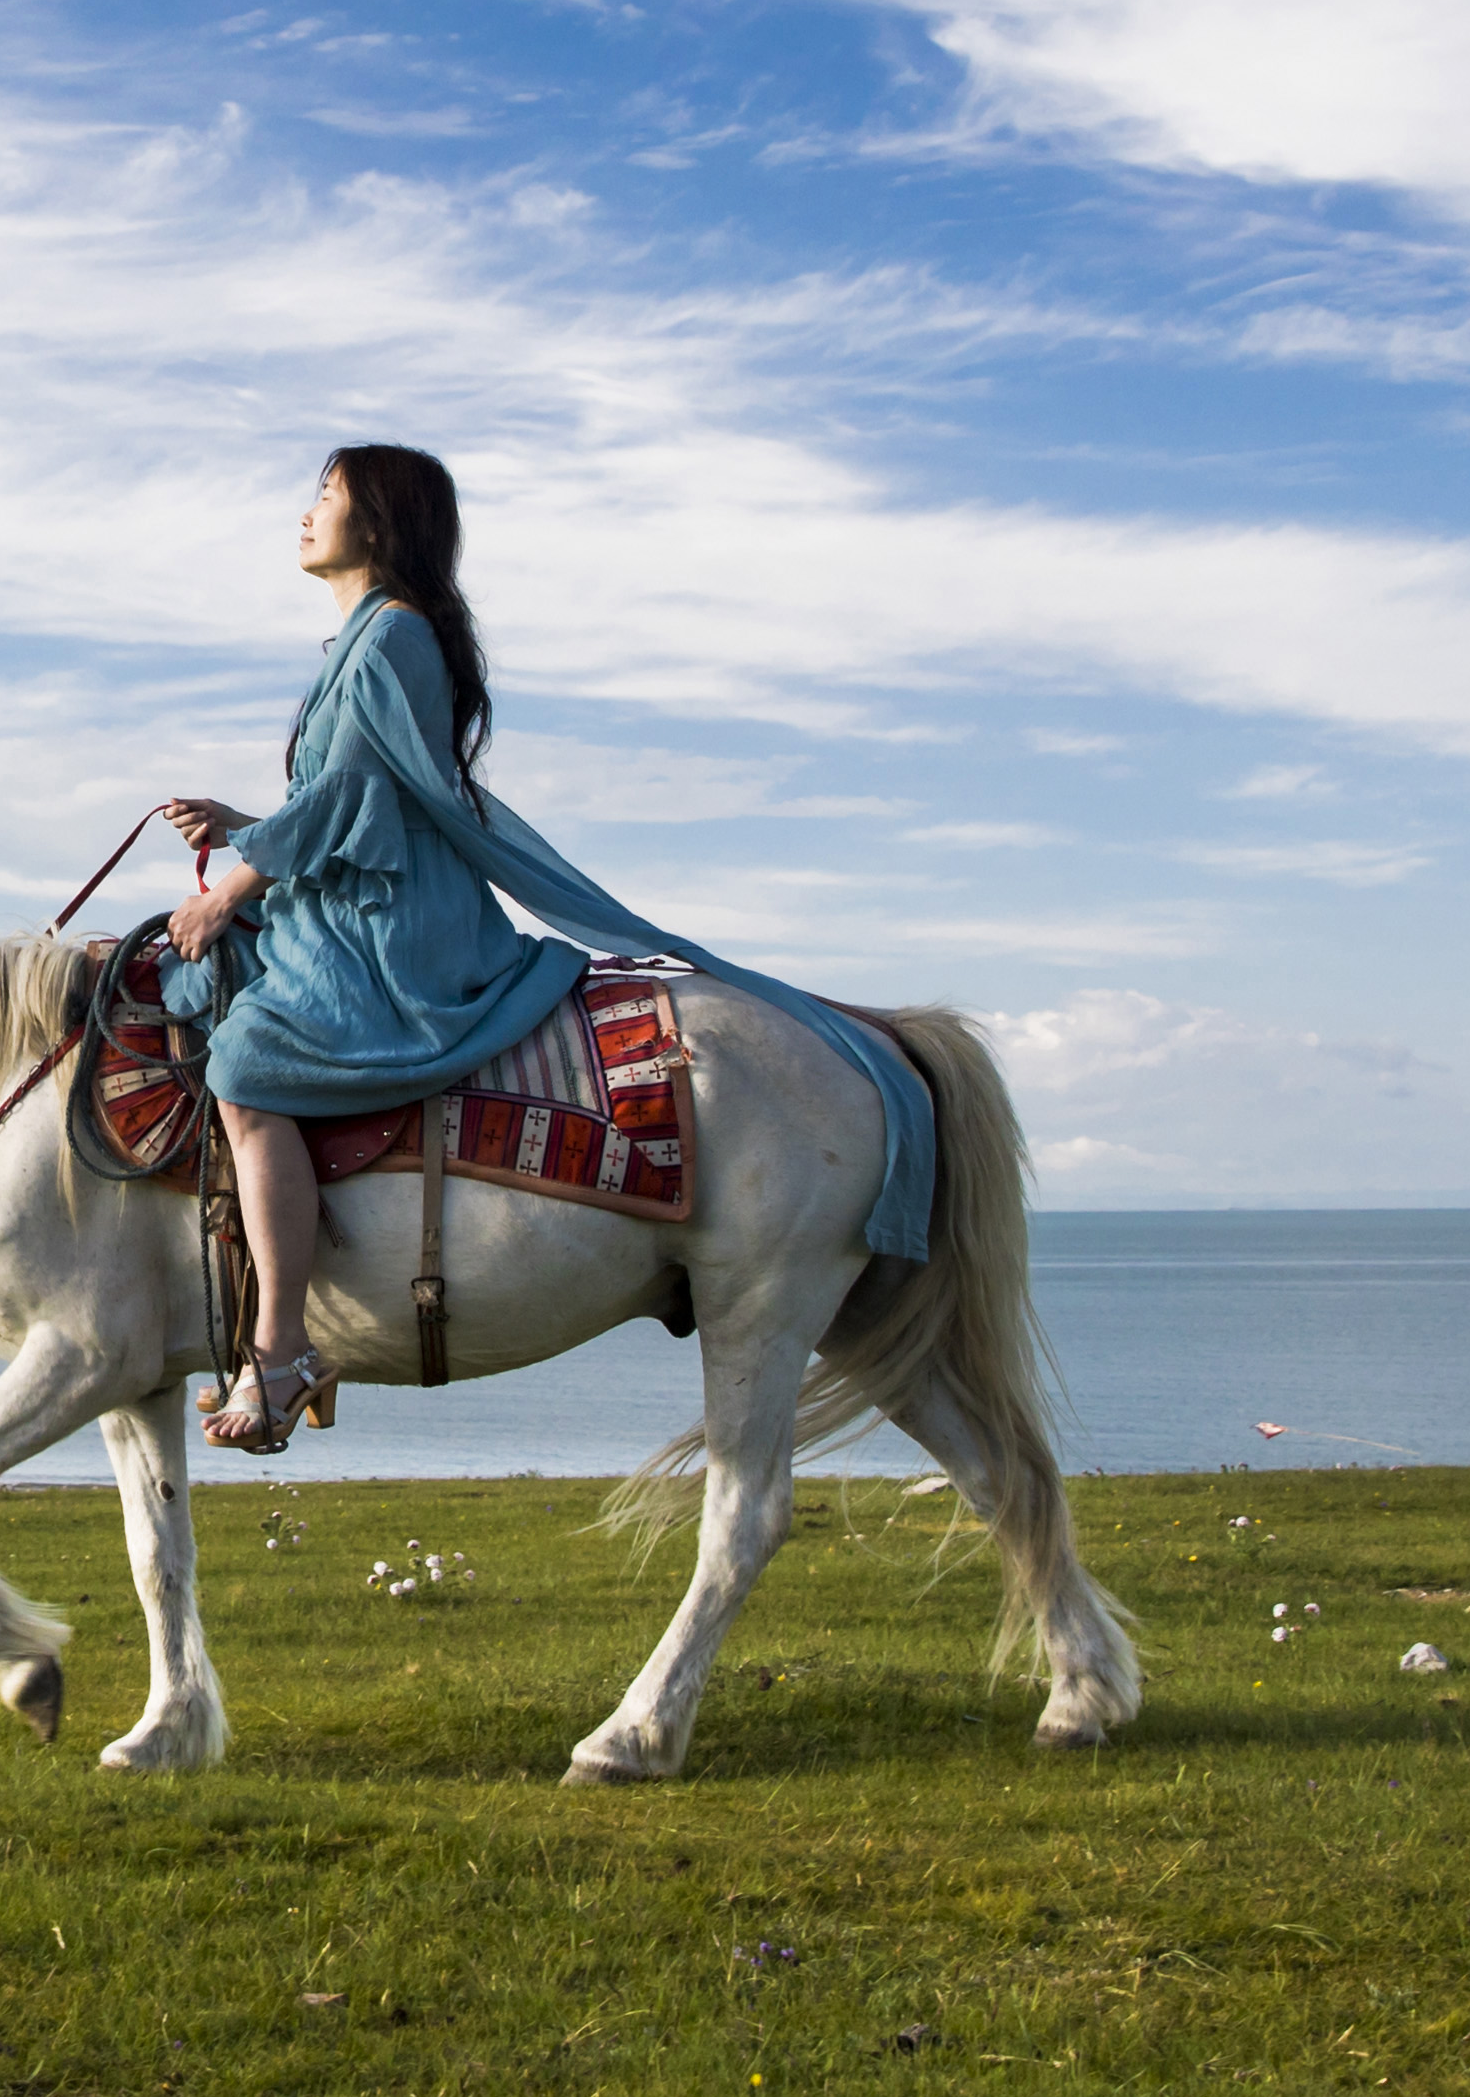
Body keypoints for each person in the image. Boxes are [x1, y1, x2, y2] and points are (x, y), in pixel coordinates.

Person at [153, 444, 936, 1454]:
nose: (304, 513)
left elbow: (348, 798)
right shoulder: (364, 639)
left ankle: (279, 1344)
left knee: (244, 1071)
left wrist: (231, 886)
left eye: (325, 497)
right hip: (358, 893)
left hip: (391, 927)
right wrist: (248, 821)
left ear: (377, 528)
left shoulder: (389, 638)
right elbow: (359, 804)